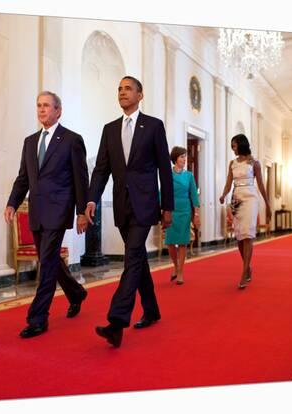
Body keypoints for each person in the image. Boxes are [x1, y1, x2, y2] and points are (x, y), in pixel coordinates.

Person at [85, 76, 174, 348]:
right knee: (138, 260)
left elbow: (164, 169)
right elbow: (101, 169)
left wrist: (167, 206)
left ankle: (117, 321)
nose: (123, 93)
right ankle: (152, 310)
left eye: (128, 88)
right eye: (120, 89)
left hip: (146, 203)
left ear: (140, 94)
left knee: (132, 256)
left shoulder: (154, 126)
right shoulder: (109, 129)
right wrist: (91, 200)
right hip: (121, 205)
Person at [5, 91, 89, 338]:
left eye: (46, 106)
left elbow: (80, 179)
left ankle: (38, 317)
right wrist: (12, 202)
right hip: (37, 210)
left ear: (58, 110)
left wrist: (82, 212)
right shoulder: (30, 142)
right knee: (49, 259)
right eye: (39, 106)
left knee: (48, 261)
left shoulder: (72, 140)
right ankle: (76, 292)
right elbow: (23, 178)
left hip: (59, 209)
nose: (41, 110)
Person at [219, 134, 272, 289]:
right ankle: (248, 267)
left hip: (250, 198)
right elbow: (228, 184)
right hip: (236, 199)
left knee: (247, 234)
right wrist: (223, 195)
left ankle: (243, 272)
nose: (232, 149)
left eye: (234, 146)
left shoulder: (254, 163)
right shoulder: (232, 164)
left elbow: (261, 185)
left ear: (241, 145)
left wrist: (268, 205)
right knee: (240, 237)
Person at [164, 146, 200, 285]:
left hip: (185, 211)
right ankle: (175, 265)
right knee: (171, 242)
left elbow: (194, 196)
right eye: (182, 157)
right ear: (175, 159)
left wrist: (196, 213)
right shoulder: (168, 175)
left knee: (183, 242)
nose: (184, 159)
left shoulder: (189, 176)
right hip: (171, 210)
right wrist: (162, 210)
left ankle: (180, 272)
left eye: (185, 156)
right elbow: (163, 193)